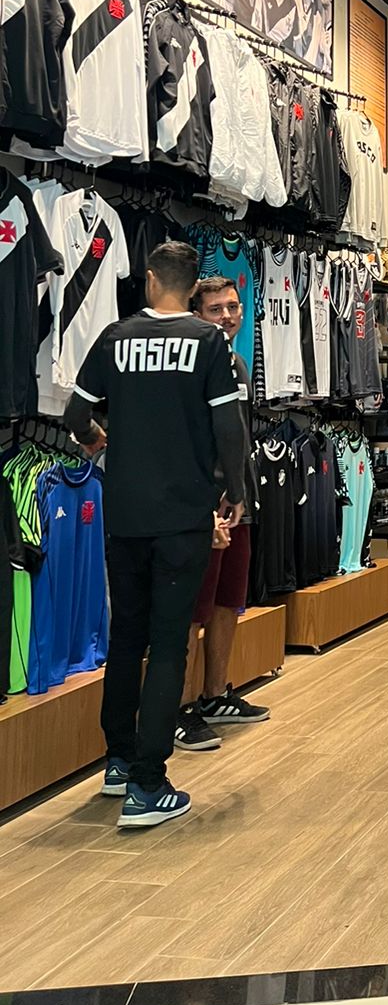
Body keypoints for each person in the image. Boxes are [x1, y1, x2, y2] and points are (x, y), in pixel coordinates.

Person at [64, 241, 247, 829]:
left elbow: (75, 415)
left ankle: (118, 763)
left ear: (148, 280)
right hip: (182, 516)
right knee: (169, 643)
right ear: (193, 290)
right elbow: (228, 426)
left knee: (126, 637)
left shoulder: (115, 338)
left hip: (125, 515)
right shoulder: (208, 342)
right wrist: (236, 491)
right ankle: (148, 785)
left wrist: (97, 441)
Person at [176, 275, 269, 753]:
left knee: (229, 598)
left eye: (233, 307)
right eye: (216, 309)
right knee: (193, 607)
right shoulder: (190, 364)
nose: (228, 316)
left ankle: (215, 695)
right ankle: (180, 708)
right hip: (205, 504)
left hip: (240, 498)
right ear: (196, 314)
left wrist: (241, 491)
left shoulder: (237, 362)